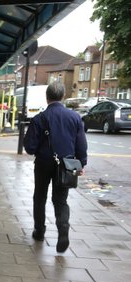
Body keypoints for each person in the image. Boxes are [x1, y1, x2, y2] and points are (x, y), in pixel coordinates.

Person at [24, 82, 88, 252]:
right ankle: (63, 231)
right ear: (63, 96)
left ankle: (39, 231)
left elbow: (29, 147)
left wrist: (40, 147)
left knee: (40, 196)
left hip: (44, 162)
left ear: (47, 97)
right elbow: (81, 144)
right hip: (66, 165)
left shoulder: (39, 118)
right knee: (60, 200)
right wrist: (81, 163)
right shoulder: (75, 118)